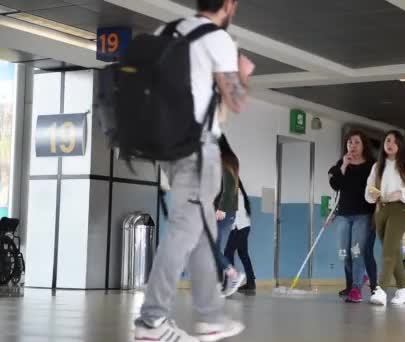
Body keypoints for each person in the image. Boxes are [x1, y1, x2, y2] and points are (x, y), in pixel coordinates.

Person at [134, 1, 253, 341]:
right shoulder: (218, 39)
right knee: (185, 231)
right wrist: (243, 71)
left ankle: (211, 317)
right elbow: (237, 99)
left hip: (168, 149)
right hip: (197, 149)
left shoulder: (166, 32)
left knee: (202, 232)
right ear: (228, 5)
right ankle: (151, 321)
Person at [365, 131, 405, 306]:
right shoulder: (377, 167)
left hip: (400, 210)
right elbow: (369, 188)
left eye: (395, 142)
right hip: (381, 210)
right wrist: (371, 195)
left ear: (401, 146)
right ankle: (404, 290)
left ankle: (380, 289)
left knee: (388, 250)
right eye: (387, 140)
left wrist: (401, 193)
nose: (390, 144)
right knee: (393, 251)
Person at [328, 130, 377, 303]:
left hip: (363, 215)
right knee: (344, 254)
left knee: (357, 253)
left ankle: (356, 288)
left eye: (356, 142)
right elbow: (335, 185)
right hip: (344, 214)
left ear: (364, 145)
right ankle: (360, 277)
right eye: (350, 142)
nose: (352, 146)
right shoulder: (341, 164)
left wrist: (376, 214)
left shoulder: (372, 165)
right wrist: (343, 165)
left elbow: (375, 190)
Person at [216, 135, 246, 297]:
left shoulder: (224, 164)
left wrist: (221, 208)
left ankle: (232, 274)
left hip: (223, 213)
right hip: (227, 212)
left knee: (212, 247)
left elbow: (227, 188)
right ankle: (224, 280)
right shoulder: (229, 163)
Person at [224, 186, 257, 294]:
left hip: (239, 228)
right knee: (243, 254)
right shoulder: (241, 196)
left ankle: (230, 281)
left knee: (228, 252)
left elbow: (233, 215)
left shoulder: (235, 196)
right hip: (243, 227)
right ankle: (251, 282)